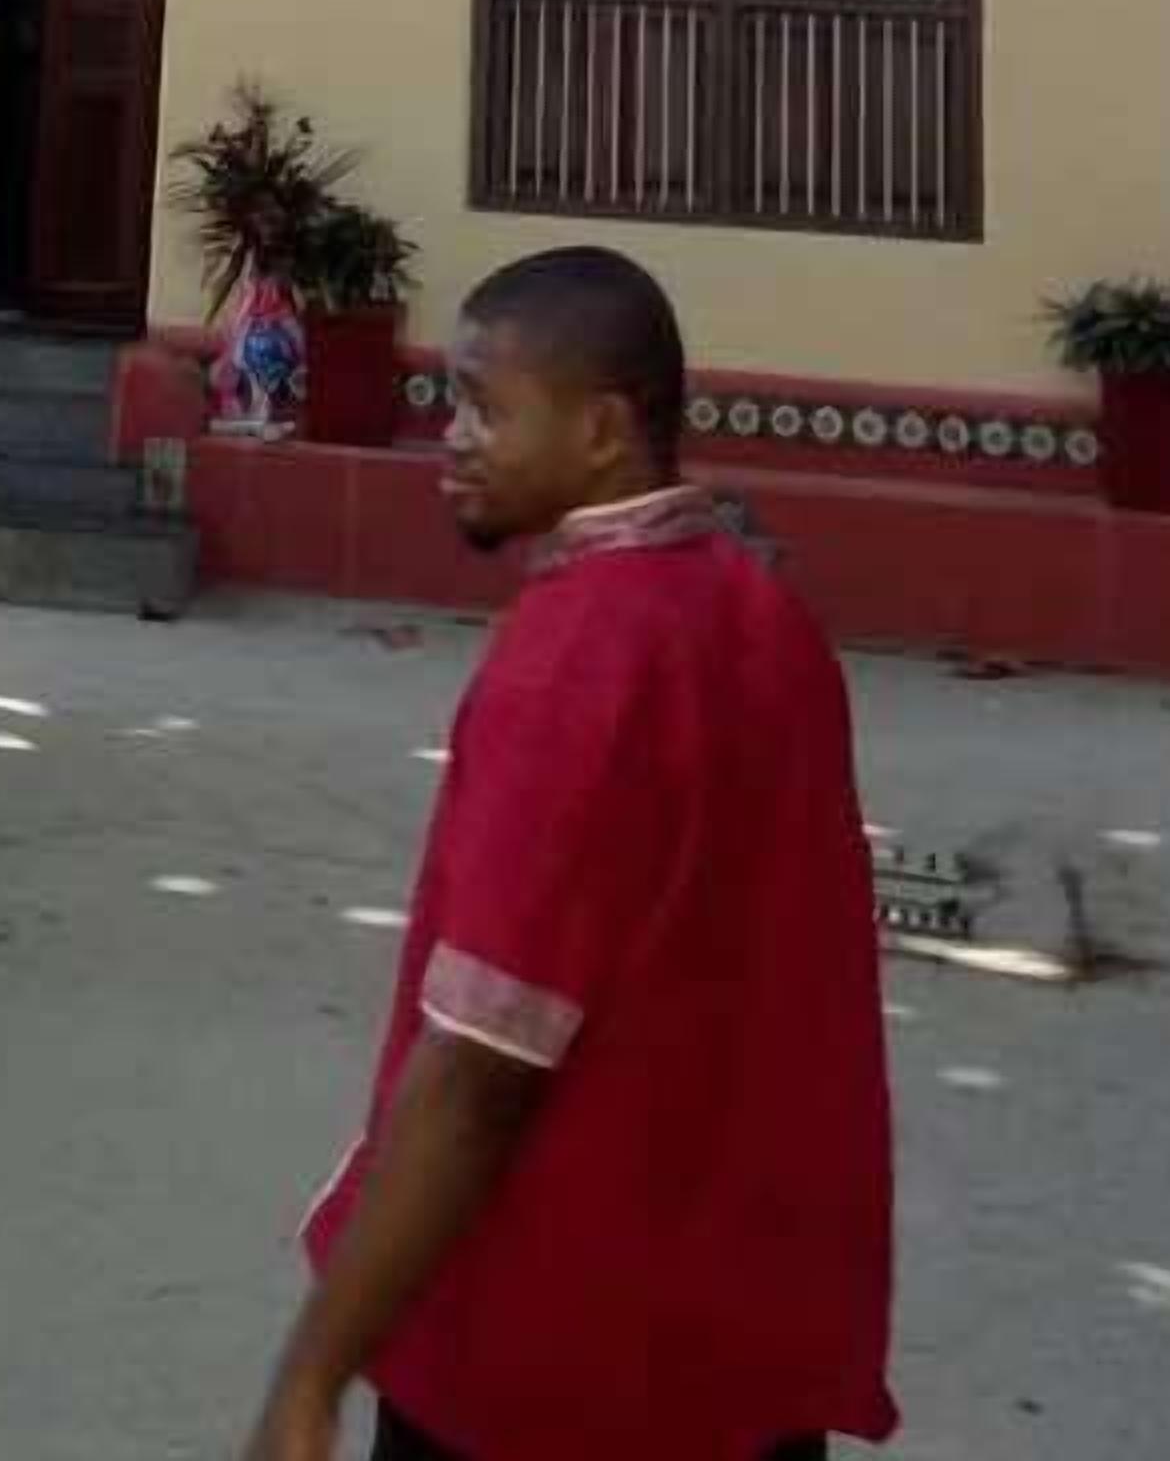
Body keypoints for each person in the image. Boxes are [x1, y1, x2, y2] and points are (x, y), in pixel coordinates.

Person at [243, 246, 895, 1461]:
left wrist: (311, 1374)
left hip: (548, 1356)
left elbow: (483, 1066)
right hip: (736, 1345)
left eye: (485, 407)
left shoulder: (582, 660)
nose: (451, 439)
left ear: (601, 430)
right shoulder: (762, 614)